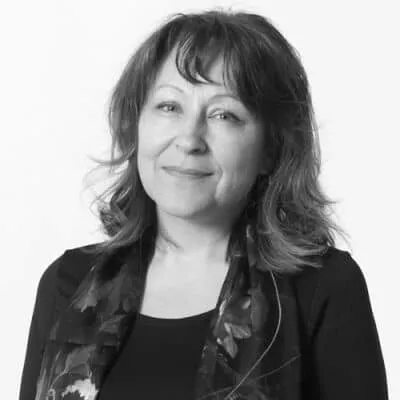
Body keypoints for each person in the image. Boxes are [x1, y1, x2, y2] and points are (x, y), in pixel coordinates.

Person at [19, 9, 388, 400]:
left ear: (271, 148)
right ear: (135, 126)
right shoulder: (68, 283)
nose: (189, 139)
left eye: (224, 114)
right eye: (169, 107)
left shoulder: (322, 289)